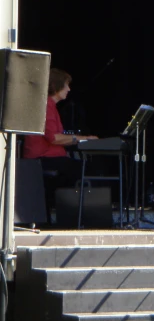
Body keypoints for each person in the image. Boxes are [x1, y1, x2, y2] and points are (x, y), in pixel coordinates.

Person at [23, 68, 98, 216]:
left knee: (80, 167)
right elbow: (54, 138)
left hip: (50, 157)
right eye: (66, 85)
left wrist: (81, 139)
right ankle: (77, 215)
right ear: (56, 86)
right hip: (41, 159)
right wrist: (83, 138)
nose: (69, 89)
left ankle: (71, 214)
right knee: (85, 170)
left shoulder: (51, 106)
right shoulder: (45, 106)